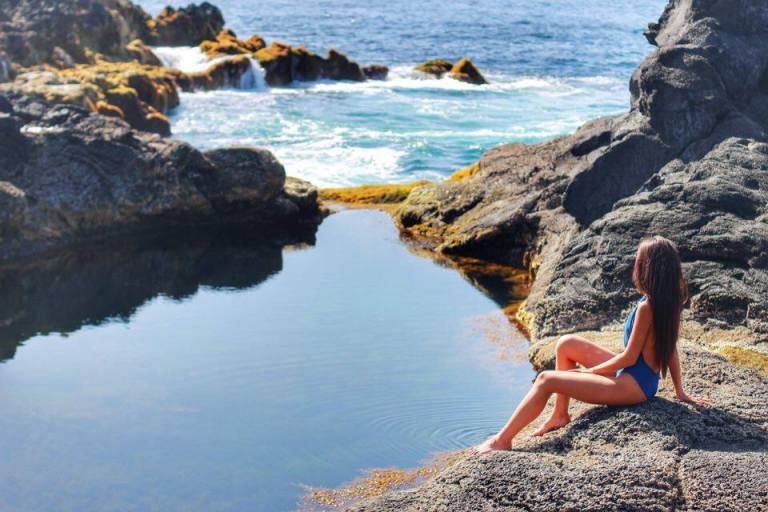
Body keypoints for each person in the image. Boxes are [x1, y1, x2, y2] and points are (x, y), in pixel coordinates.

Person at [472, 236, 708, 455]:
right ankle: (560, 414)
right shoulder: (671, 300)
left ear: (648, 269)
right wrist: (680, 391)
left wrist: (590, 372)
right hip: (639, 377)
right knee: (566, 344)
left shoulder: (648, 308)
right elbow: (671, 348)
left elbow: (628, 357)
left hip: (631, 386)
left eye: (638, 262)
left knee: (546, 380)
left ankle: (502, 441)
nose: (634, 266)